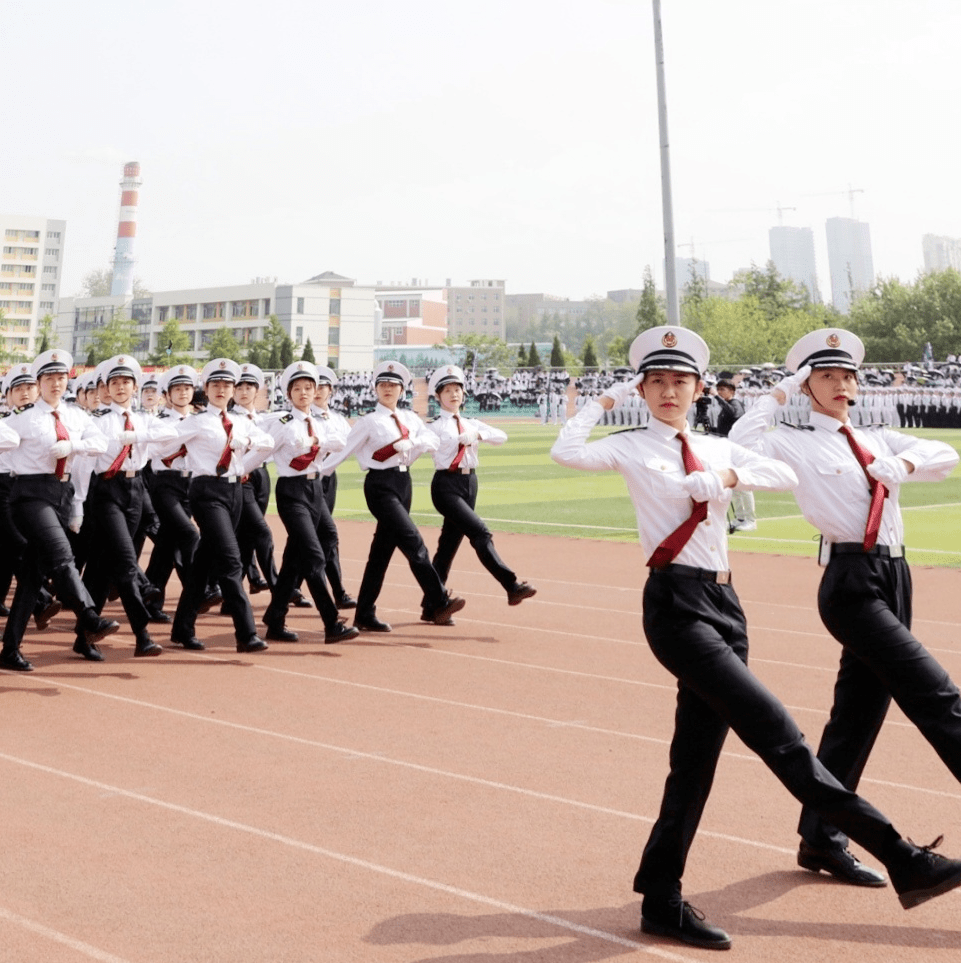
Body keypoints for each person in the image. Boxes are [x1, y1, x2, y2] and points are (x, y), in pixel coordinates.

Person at [550, 326, 961, 951]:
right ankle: (901, 854)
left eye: (680, 382)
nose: (668, 391)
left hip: (725, 603)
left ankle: (660, 896)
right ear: (642, 388)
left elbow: (771, 471)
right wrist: (602, 404)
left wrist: (731, 480)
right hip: (676, 606)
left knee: (693, 763)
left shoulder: (714, 447)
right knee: (782, 739)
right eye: (656, 381)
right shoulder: (632, 446)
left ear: (695, 389)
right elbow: (567, 451)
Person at [729, 328, 961, 889]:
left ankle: (821, 838)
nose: (841, 384)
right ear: (807, 387)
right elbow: (741, 442)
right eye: (826, 376)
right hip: (851, 582)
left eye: (847, 375)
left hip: (895, 574)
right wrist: (777, 394)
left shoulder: (879, 439)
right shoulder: (794, 441)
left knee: (857, 717)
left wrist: (902, 468)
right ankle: (834, 838)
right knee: (937, 697)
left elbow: (946, 454)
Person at [321, 361, 465, 633]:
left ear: (402, 389)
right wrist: (319, 474)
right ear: (375, 389)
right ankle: (438, 599)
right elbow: (344, 452)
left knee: (381, 554)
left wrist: (414, 443)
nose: (388, 389)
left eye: (393, 385)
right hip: (380, 484)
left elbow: (432, 441)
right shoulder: (368, 421)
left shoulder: (411, 418)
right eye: (383, 385)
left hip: (403, 482)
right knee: (413, 541)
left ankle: (364, 613)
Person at [0, 350, 119, 672]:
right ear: (38, 383)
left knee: (31, 576)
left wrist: (74, 446)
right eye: (49, 378)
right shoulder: (21, 418)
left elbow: (100, 445)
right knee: (61, 553)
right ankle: (89, 616)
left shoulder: (77, 416)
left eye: (61, 377)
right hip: (30, 494)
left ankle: (10, 649)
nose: (56, 383)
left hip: (62, 493)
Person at [168, 358, 274, 654]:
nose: (221, 389)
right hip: (207, 491)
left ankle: (182, 629)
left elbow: (267, 442)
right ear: (206, 387)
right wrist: (178, 461)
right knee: (230, 560)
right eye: (216, 384)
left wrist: (246, 445)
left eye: (227, 384)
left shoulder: (240, 421)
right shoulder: (196, 421)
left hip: (235, 490)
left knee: (202, 564)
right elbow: (164, 447)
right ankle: (246, 632)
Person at [80, 355, 179, 659]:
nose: (121, 387)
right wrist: (77, 504)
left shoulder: (146, 420)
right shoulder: (97, 421)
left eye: (126, 382)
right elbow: (86, 466)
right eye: (115, 382)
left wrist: (139, 435)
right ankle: (143, 634)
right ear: (106, 389)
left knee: (100, 568)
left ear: (135, 387)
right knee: (125, 562)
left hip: (136, 489)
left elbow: (172, 436)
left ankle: (83, 637)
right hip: (107, 491)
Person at [422, 365, 535, 621]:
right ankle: (511, 585)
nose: (454, 394)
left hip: (470, 483)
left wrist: (479, 434)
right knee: (480, 532)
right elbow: (425, 444)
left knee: (447, 547)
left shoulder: (472, 422)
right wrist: (450, 442)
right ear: (438, 396)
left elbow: (502, 436)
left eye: (458, 390)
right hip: (446, 485)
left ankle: (432, 607)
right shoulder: (436, 426)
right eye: (447, 390)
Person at [260, 360, 358, 644]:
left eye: (309, 388)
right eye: (298, 388)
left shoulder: (320, 422)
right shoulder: (281, 423)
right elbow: (262, 453)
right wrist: (238, 471)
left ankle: (275, 617)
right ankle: (331, 622)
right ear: (288, 393)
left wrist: (317, 442)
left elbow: (341, 441)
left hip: (316, 488)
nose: (304, 393)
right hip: (292, 491)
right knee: (314, 556)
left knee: (304, 552)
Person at [713, 379, 756, 532]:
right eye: (718, 390)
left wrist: (717, 398)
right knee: (734, 486)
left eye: (723, 390)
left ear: (732, 391)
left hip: (737, 449)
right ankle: (740, 517)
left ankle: (750, 519)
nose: (719, 393)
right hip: (727, 448)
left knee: (743, 484)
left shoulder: (735, 404)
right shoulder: (726, 406)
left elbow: (734, 414)